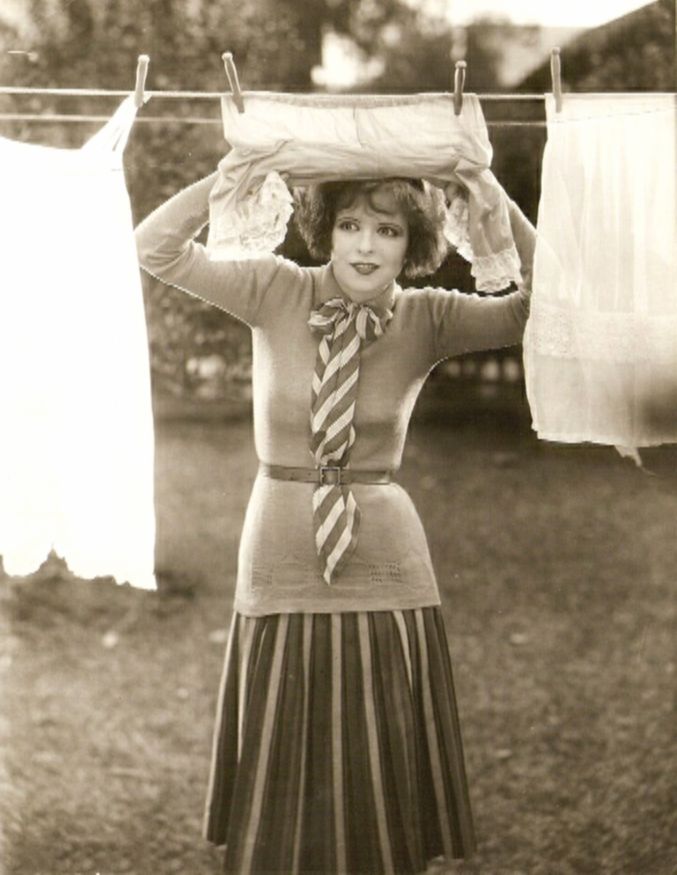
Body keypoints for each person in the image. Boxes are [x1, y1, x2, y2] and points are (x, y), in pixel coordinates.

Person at [135, 171, 536, 875]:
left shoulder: (427, 317)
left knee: (377, 772)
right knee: (283, 766)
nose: (366, 247)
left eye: (388, 230)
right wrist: (235, 172)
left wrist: (486, 195)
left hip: (385, 563)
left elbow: (546, 301)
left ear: (413, 243)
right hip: (281, 548)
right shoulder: (274, 288)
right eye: (351, 225)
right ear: (326, 230)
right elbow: (155, 248)